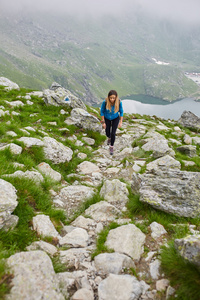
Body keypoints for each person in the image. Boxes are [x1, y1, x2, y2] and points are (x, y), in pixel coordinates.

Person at [100, 90, 123, 155]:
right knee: (107, 132)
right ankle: (109, 137)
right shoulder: (105, 102)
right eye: (111, 98)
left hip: (115, 118)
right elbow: (102, 111)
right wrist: (103, 122)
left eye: (113, 98)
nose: (112, 99)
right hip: (107, 118)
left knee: (113, 133)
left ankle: (111, 147)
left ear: (116, 97)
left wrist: (120, 122)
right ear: (108, 97)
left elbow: (121, 112)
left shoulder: (119, 102)